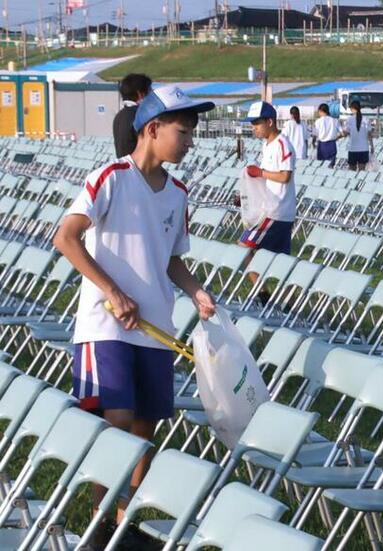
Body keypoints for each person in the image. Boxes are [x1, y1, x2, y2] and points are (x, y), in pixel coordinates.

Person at [52, 84, 217, 540]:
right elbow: (66, 237)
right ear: (152, 129)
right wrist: (112, 289)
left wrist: (195, 290)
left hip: (155, 328)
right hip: (106, 325)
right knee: (116, 421)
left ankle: (126, 521)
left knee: (144, 429)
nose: (189, 141)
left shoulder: (178, 193)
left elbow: (169, 257)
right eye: (182, 132)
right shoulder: (111, 177)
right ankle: (98, 520)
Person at [239, 101, 297, 259]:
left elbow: (285, 176)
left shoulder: (283, 144)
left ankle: (260, 285)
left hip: (276, 210)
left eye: (257, 123)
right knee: (277, 261)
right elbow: (265, 179)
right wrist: (247, 196)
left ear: (269, 122)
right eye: (252, 124)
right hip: (273, 208)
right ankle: (266, 285)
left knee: (244, 249)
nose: (254, 127)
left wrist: (260, 172)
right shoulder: (267, 145)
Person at [112, 73, 152, 158]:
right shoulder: (141, 116)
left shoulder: (119, 116)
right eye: (150, 91)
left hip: (124, 167)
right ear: (141, 94)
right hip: (139, 168)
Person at [340, 100, 374, 172]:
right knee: (362, 171)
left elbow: (345, 133)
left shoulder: (349, 119)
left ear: (352, 108)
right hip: (364, 148)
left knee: (352, 172)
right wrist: (372, 146)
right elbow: (369, 135)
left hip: (353, 148)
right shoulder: (366, 119)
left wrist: (339, 135)